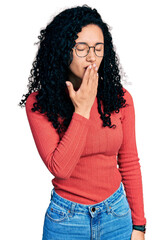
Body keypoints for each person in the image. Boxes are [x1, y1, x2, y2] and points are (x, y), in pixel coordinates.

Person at [19, 5, 146, 240]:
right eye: (82, 48)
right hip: (66, 220)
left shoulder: (121, 98)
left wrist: (139, 226)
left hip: (117, 215)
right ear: (63, 49)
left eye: (98, 48)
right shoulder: (39, 103)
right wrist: (82, 109)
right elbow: (61, 168)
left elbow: (129, 162)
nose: (92, 57)